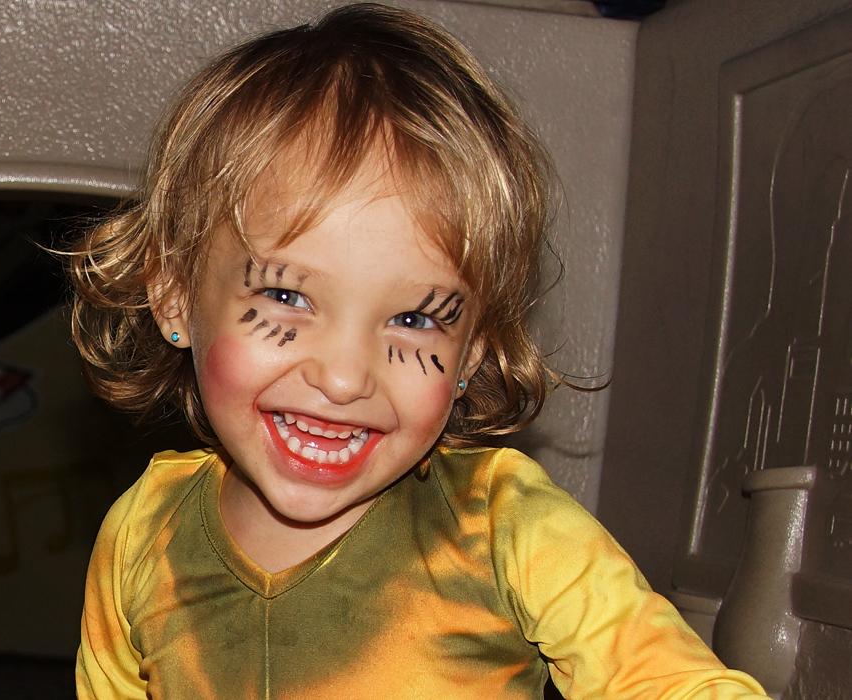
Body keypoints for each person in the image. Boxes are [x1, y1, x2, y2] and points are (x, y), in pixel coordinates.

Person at [70, 4, 770, 699]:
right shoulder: (142, 536)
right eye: (286, 297)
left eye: (411, 318)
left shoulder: (503, 527)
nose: (344, 377)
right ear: (173, 297)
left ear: (470, 356)